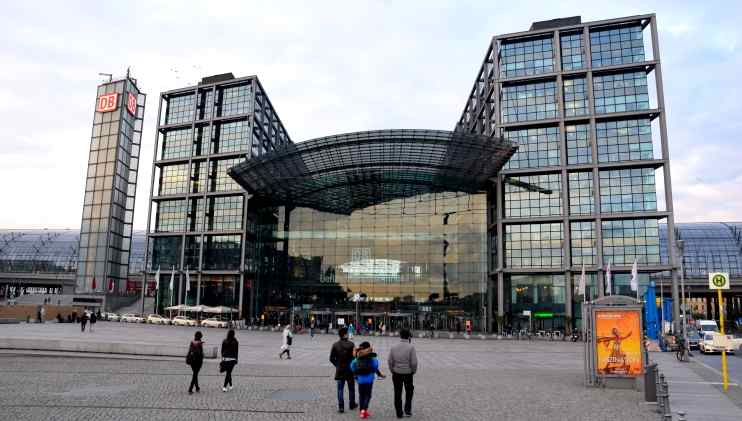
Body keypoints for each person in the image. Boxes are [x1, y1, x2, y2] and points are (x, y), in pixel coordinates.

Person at [350, 341, 385, 419]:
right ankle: (364, 410)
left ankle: (362, 411)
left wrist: (355, 373)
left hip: (360, 379)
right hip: (369, 379)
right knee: (368, 395)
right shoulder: (372, 357)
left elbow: (352, 365)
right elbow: (375, 365)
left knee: (361, 395)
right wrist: (375, 372)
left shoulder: (358, 357)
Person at [388, 329, 418, 418]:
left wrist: (392, 370)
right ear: (408, 336)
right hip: (408, 373)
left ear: (400, 335)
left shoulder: (393, 347)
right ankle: (407, 410)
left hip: (397, 372)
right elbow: (414, 363)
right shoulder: (411, 347)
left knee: (397, 392)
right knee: (409, 391)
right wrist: (413, 371)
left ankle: (399, 413)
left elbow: (390, 361)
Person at [330, 327, 357, 413]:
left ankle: (341, 407)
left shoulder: (335, 345)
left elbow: (331, 358)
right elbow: (355, 358)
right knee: (351, 388)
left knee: (340, 389)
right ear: (345, 334)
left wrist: (337, 365)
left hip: (340, 370)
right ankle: (352, 404)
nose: (349, 334)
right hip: (350, 370)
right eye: (347, 333)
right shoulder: (352, 344)